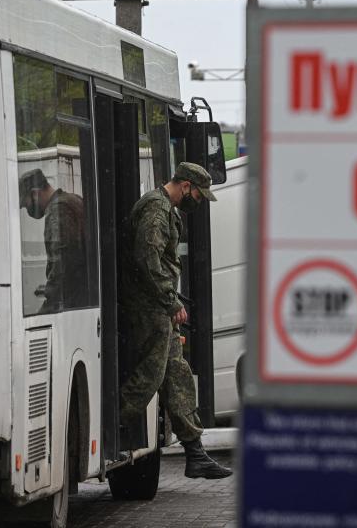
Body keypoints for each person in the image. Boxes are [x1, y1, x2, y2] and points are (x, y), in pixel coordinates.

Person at [119, 162, 232, 479]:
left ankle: (196, 454)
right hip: (150, 308)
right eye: (198, 193)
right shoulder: (156, 208)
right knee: (152, 376)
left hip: (157, 307)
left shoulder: (164, 207)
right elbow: (147, 258)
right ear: (185, 185)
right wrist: (170, 302)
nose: (198, 199)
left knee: (177, 376)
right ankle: (114, 423)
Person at [19, 168, 88, 314]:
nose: (28, 210)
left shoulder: (58, 210)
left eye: (26, 205)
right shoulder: (72, 199)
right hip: (83, 295)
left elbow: (62, 264)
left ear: (35, 194)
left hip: (74, 302)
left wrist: (48, 304)